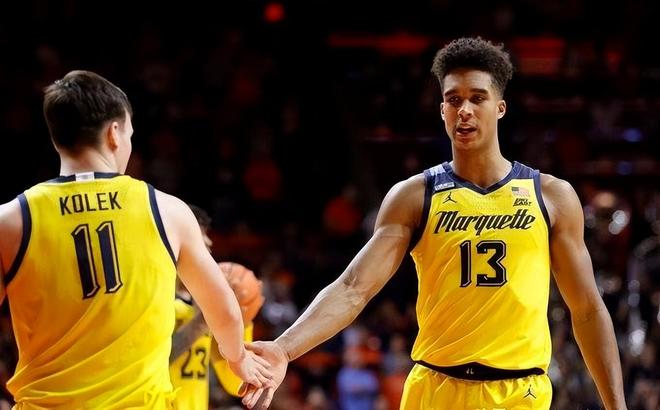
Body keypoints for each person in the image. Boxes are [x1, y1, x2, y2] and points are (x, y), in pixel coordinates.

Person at [242, 37, 627, 409]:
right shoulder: (414, 196)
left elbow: (587, 309)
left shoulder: (551, 196)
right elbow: (354, 287)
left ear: (500, 108)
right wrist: (284, 348)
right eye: (454, 99)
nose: (465, 110)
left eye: (478, 98)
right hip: (435, 388)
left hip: (518, 392)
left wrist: (616, 405)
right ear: (442, 110)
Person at [0, 70, 271, 408]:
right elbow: (225, 309)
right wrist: (238, 359)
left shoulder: (11, 220)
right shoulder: (166, 211)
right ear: (114, 133)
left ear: (57, 138)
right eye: (130, 133)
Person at [170, 204, 264, 409]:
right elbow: (152, 362)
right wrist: (206, 318)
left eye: (207, 245)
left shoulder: (201, 307)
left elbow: (236, 384)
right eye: (200, 242)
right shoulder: (158, 298)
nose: (208, 247)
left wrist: (242, 319)